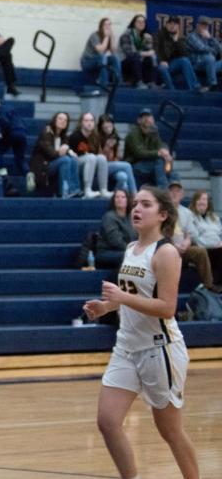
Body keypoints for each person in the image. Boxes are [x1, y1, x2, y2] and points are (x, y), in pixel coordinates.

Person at [83, 187, 199, 479]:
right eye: (136, 204)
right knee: (108, 422)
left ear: (162, 215)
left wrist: (121, 298)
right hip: (127, 346)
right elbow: (132, 296)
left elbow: (167, 307)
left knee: (170, 431)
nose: (137, 208)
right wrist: (107, 307)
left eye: (146, 204)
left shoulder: (167, 252)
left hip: (159, 349)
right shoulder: (131, 248)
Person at [168, 182, 217, 293]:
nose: (174, 194)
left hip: (183, 248)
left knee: (200, 251)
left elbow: (188, 235)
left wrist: (186, 243)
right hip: (167, 247)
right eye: (172, 191)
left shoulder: (187, 213)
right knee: (167, 250)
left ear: (182, 194)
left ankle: (208, 286)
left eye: (177, 191)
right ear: (168, 193)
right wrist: (173, 246)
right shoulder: (162, 211)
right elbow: (161, 234)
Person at [29, 112, 81, 198]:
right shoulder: (46, 132)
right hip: (42, 167)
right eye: (60, 119)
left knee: (73, 159)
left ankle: (75, 189)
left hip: (54, 164)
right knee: (65, 160)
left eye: (65, 120)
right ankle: (64, 191)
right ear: (54, 120)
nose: (63, 121)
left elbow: (66, 150)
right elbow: (51, 153)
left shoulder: (64, 136)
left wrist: (71, 153)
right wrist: (61, 151)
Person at [124, 108, 174, 189]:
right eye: (144, 117)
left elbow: (160, 145)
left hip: (150, 164)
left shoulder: (154, 131)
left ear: (153, 119)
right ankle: (163, 191)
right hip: (134, 164)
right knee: (159, 161)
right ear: (139, 120)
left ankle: (174, 196)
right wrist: (158, 153)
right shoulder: (133, 134)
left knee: (173, 174)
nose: (147, 119)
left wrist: (166, 152)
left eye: (149, 116)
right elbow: (139, 153)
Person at [68, 112, 113, 199]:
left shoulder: (95, 137)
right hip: (76, 164)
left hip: (90, 164)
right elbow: (72, 155)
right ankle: (87, 190)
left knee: (101, 158)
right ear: (81, 122)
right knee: (91, 157)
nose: (89, 123)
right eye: (86, 120)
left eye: (92, 121)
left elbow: (97, 154)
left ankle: (103, 190)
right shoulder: (75, 136)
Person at [0, 97, 27, 177]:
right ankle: (26, 173)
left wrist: (2, 134)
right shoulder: (10, 108)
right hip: (22, 133)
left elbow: (5, 123)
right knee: (20, 157)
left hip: (12, 133)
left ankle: (0, 169)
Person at [154, 16, 200, 91]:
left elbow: (184, 54)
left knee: (184, 60)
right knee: (163, 68)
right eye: (170, 24)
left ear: (178, 26)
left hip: (171, 65)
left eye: (175, 24)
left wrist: (176, 41)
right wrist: (161, 60)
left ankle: (195, 87)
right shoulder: (158, 35)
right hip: (159, 64)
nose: (172, 26)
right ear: (166, 25)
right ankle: (172, 91)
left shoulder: (180, 39)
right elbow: (155, 49)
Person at [98, 113, 138, 195]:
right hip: (102, 167)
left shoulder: (115, 137)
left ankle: (116, 196)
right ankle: (135, 194)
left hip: (113, 166)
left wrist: (116, 152)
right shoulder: (97, 138)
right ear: (101, 128)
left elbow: (119, 157)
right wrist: (107, 148)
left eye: (110, 126)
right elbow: (99, 158)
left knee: (123, 177)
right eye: (105, 127)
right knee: (127, 166)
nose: (108, 129)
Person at [96, 189, 137, 268]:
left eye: (123, 197)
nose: (119, 199)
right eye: (117, 197)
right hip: (107, 252)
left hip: (126, 250)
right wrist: (134, 251)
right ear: (113, 200)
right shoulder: (109, 217)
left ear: (128, 200)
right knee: (128, 257)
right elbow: (115, 241)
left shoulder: (130, 217)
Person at [188, 190, 222, 283]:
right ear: (195, 201)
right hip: (203, 249)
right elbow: (195, 238)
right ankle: (214, 284)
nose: (202, 201)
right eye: (199, 199)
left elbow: (220, 233)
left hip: (218, 248)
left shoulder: (214, 217)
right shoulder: (190, 216)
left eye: (204, 199)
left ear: (208, 203)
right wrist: (215, 245)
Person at [81, 18, 123, 88]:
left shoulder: (109, 36)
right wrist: (106, 37)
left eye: (109, 24)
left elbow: (113, 51)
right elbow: (100, 51)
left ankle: (117, 82)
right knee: (103, 57)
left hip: (100, 60)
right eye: (105, 24)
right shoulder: (94, 35)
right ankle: (103, 83)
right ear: (101, 26)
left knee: (115, 57)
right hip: (87, 61)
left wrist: (112, 37)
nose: (107, 26)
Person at [184, 15, 222, 90]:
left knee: (213, 60)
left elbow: (218, 49)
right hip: (196, 64)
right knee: (210, 57)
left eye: (206, 25)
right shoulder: (191, 36)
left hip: (209, 65)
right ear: (198, 25)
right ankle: (212, 84)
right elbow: (202, 48)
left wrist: (210, 38)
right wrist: (212, 48)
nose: (205, 27)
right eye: (203, 25)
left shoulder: (207, 36)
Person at [119, 14, 156, 88]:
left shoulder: (144, 36)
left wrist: (150, 41)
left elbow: (150, 52)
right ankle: (139, 82)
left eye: (143, 22)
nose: (141, 23)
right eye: (139, 22)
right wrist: (145, 53)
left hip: (138, 62)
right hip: (125, 63)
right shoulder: (126, 35)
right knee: (136, 57)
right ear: (134, 23)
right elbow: (129, 53)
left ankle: (150, 82)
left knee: (149, 59)